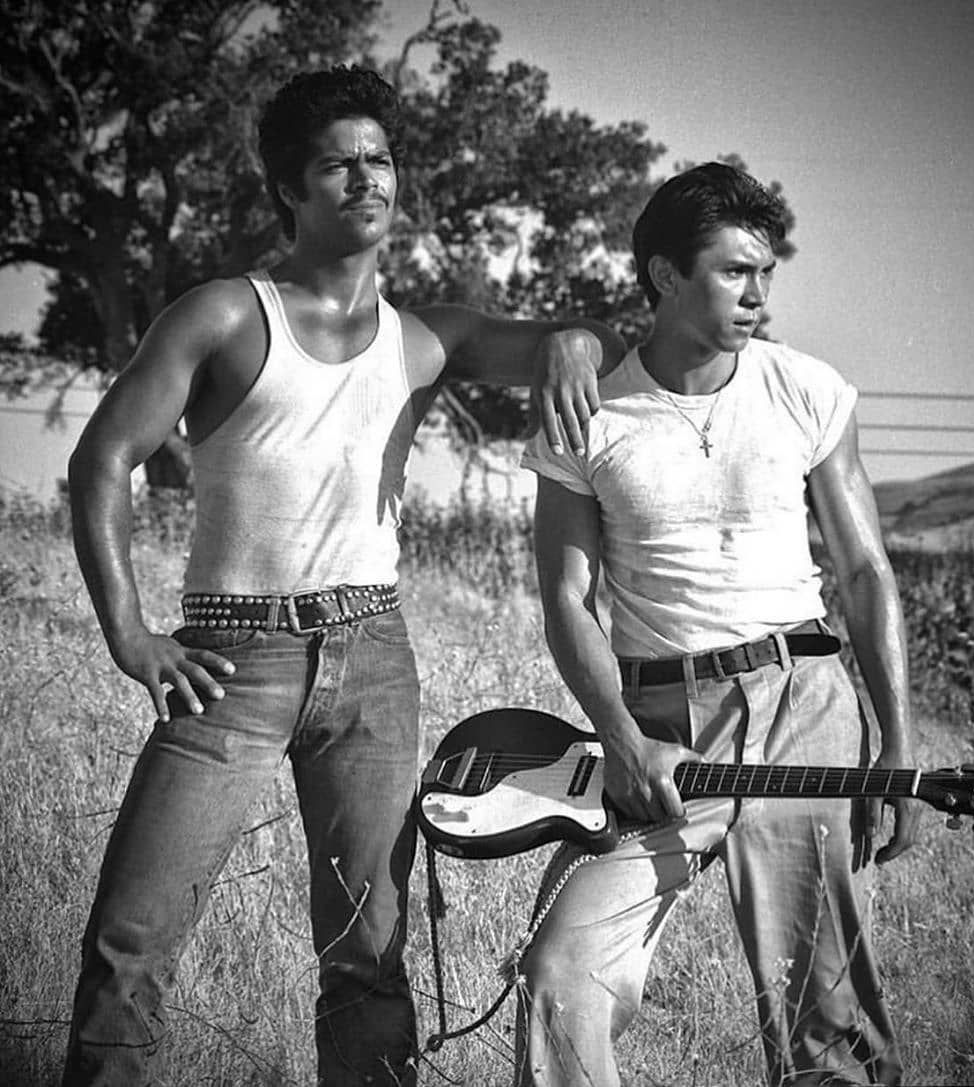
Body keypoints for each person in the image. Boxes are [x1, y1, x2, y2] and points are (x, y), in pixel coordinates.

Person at [62, 65, 623, 1087]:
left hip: (374, 659)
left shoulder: (423, 338)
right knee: (128, 946)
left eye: (380, 161)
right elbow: (100, 461)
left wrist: (576, 335)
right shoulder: (226, 315)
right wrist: (131, 634)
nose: (367, 180)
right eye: (337, 165)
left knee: (368, 958)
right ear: (289, 188)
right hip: (232, 661)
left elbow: (553, 345)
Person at [516, 162, 921, 1086]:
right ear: (665, 275)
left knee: (825, 1020)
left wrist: (895, 741)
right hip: (658, 727)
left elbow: (862, 571)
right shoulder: (590, 418)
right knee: (559, 973)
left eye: (766, 273)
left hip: (803, 701)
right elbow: (568, 601)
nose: (758, 294)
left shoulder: (806, 389)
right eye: (735, 271)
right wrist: (618, 737)